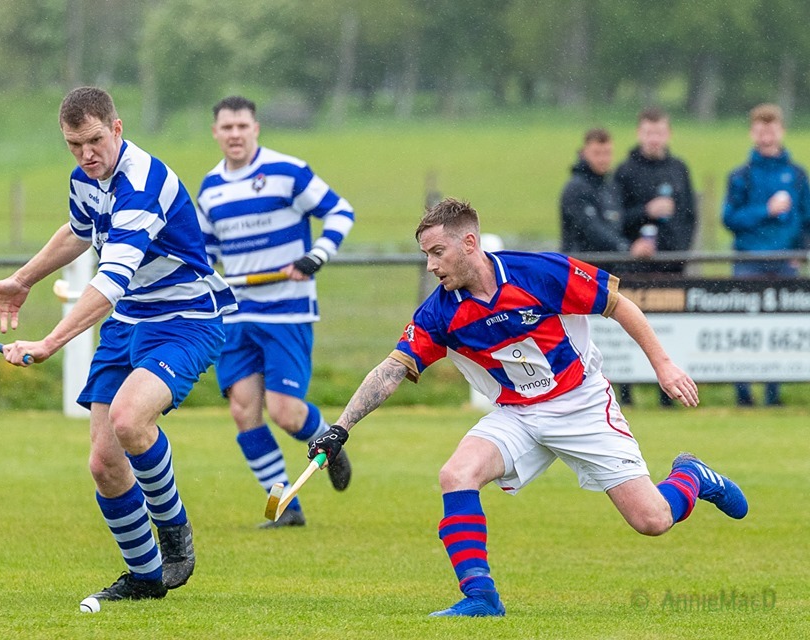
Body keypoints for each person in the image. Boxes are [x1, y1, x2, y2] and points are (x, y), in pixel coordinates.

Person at [308, 198, 748, 618]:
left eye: (438, 252)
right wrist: (340, 427)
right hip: (517, 413)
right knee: (456, 475)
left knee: (651, 520)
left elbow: (618, 304)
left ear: (469, 244)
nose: (431, 265)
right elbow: (392, 369)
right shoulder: (440, 312)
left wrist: (664, 365)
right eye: (426, 255)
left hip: (581, 403)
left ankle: (691, 475)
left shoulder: (536, 272)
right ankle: (480, 596)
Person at [0, 87, 237, 606]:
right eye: (74, 145)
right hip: (128, 321)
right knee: (103, 463)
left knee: (130, 419)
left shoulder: (143, 184)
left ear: (117, 128)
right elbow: (78, 232)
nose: (86, 154)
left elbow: (111, 279)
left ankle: (175, 533)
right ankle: (144, 578)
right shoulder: (84, 179)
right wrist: (22, 280)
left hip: (184, 320)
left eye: (94, 140)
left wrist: (50, 341)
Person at [195, 96, 355, 528]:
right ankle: (284, 507)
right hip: (238, 313)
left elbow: (340, 211)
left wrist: (316, 255)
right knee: (243, 412)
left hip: (286, 310)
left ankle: (329, 443)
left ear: (256, 128)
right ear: (216, 132)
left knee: (285, 412)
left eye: (242, 126)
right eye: (226, 127)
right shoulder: (210, 188)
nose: (234, 134)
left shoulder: (288, 172)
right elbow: (205, 253)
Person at [722, 103, 810, 406]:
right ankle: (743, 393)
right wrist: (765, 211)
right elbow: (730, 218)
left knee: (781, 329)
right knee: (743, 330)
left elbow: (807, 219)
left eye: (771, 128)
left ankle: (774, 393)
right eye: (760, 129)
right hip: (748, 262)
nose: (766, 135)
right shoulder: (741, 176)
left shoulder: (797, 176)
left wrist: (802, 250)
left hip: (786, 263)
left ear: (781, 131)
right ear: (752, 133)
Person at [614, 107, 698, 407]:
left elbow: (690, 216)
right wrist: (644, 214)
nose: (654, 138)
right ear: (639, 133)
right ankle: (626, 393)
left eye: (659, 132)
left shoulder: (679, 169)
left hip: (672, 267)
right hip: (636, 267)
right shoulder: (625, 171)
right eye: (648, 132)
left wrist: (681, 253)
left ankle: (670, 393)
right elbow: (616, 218)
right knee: (633, 325)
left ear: (668, 134)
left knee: (671, 331)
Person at [559, 127, 630, 274]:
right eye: (597, 153)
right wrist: (625, 247)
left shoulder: (611, 186)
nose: (603, 159)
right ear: (584, 153)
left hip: (608, 271)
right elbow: (591, 229)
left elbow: (619, 222)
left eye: (607, 153)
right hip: (580, 272)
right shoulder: (575, 188)